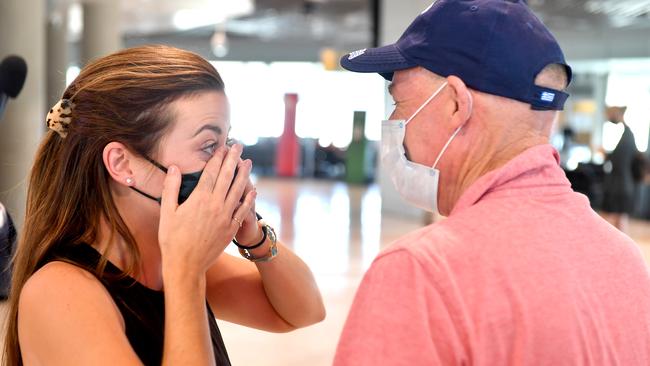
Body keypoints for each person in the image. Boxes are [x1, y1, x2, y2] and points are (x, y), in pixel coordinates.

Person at [334, 0, 650, 364]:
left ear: (456, 104)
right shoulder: (625, 260)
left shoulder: (423, 275)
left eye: (400, 102)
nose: (394, 121)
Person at [4, 45, 325, 365]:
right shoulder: (59, 293)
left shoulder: (167, 258)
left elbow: (303, 312)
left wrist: (253, 236)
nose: (228, 160)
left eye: (226, 141)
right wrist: (186, 274)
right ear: (122, 164)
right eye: (209, 145)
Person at [601, 106, 639, 233]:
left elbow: (619, 160)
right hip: (621, 182)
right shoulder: (626, 134)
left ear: (617, 114)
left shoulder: (627, 136)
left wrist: (606, 155)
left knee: (617, 218)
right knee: (618, 218)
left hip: (621, 184)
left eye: (610, 115)